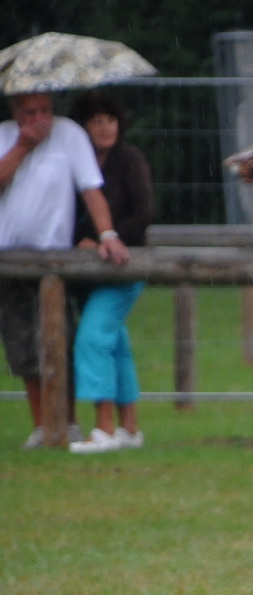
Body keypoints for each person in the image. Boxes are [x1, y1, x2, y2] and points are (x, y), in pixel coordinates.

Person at [1, 91, 131, 448]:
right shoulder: (4, 136)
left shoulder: (70, 135)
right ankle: (41, 424)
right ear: (16, 112)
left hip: (54, 260)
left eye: (44, 110)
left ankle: (67, 422)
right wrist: (23, 146)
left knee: (59, 341)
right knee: (21, 346)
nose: (39, 118)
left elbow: (91, 190)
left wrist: (107, 234)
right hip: (9, 259)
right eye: (30, 112)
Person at [65, 91, 152, 454]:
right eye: (96, 121)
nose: (105, 128)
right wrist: (80, 240)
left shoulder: (129, 159)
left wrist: (109, 240)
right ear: (83, 127)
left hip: (123, 266)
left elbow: (143, 213)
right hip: (83, 271)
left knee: (92, 339)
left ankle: (103, 428)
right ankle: (129, 428)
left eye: (111, 120)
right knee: (115, 343)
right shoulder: (73, 161)